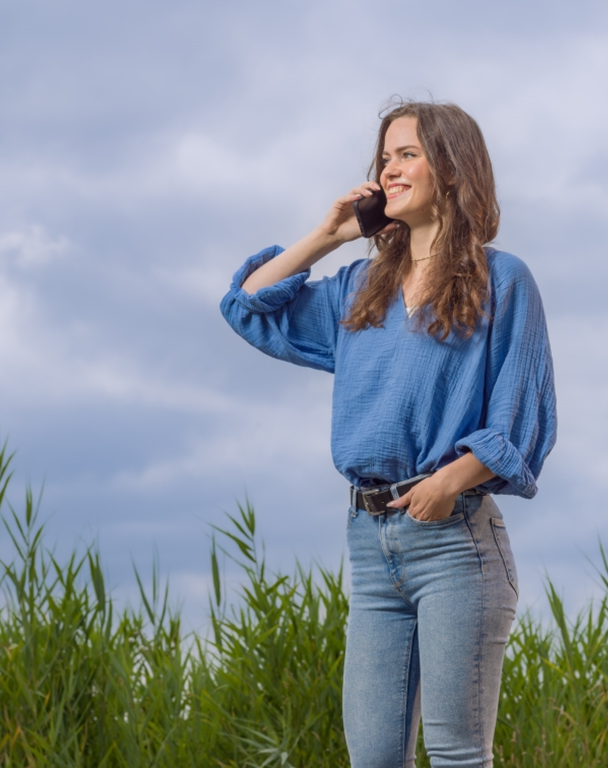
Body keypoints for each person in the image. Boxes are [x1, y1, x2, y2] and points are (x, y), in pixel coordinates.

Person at [219, 99, 557, 768]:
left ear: (453, 169)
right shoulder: (358, 288)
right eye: (384, 156)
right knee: (373, 758)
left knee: (458, 753)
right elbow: (246, 306)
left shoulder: (503, 280)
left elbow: (520, 417)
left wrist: (449, 481)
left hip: (455, 540)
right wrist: (328, 236)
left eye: (407, 153)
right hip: (372, 549)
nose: (388, 167)